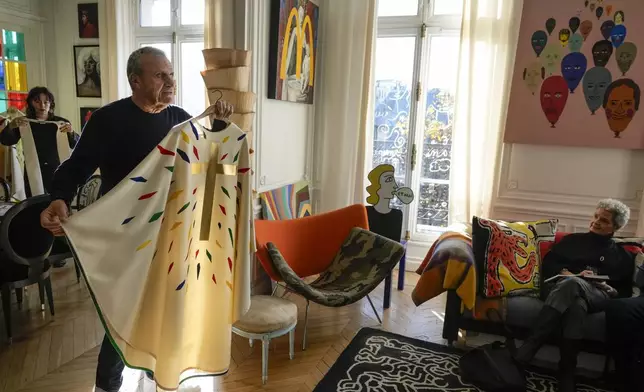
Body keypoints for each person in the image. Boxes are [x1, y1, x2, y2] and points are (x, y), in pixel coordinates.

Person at [39, 46, 234, 392]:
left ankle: (157, 371)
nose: (171, 81)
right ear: (135, 80)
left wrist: (219, 124)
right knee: (125, 314)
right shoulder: (107, 120)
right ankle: (107, 387)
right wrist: (59, 198)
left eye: (171, 73)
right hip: (125, 236)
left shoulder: (179, 119)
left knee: (165, 306)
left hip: (170, 234)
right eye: (161, 75)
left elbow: (210, 164)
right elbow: (77, 166)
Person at [513, 199, 635, 392]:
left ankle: (528, 348)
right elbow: (548, 265)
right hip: (560, 287)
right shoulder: (572, 240)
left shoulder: (622, 256)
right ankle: (567, 369)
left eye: (603, 220)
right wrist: (566, 273)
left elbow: (625, 292)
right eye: (596, 216)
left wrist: (607, 287)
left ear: (616, 226)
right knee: (576, 304)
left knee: (575, 287)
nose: (596, 222)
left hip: (597, 294)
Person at [0, 86, 77, 196]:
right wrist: (11, 126)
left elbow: (75, 144)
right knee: (34, 206)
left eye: (46, 102)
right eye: (37, 101)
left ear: (51, 103)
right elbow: (5, 141)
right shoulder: (23, 122)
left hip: (57, 170)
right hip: (33, 172)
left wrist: (71, 132)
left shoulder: (62, 122)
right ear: (31, 103)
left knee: (59, 203)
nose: (42, 106)